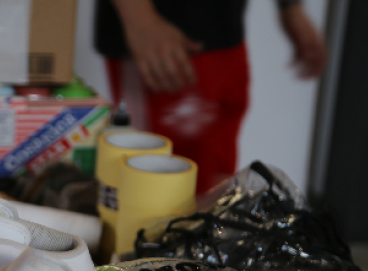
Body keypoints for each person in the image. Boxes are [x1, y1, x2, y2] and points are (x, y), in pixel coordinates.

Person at [95, 0, 327, 194]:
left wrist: (290, 7)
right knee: (153, 194)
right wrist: (140, 17)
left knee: (214, 188)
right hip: (165, 38)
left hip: (224, 31)